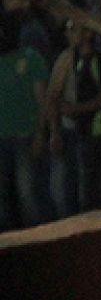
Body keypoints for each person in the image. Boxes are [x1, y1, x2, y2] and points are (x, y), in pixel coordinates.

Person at [44, 17, 101, 216]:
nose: (68, 33)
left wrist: (76, 109)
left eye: (73, 29)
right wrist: (55, 132)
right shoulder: (68, 58)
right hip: (72, 131)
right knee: (68, 189)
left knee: (90, 187)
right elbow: (53, 96)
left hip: (96, 131)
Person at [0, 14, 51, 228]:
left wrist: (40, 134)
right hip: (2, 138)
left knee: (28, 195)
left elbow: (42, 99)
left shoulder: (31, 58)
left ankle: (38, 245)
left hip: (25, 136)